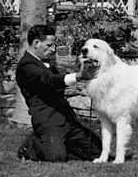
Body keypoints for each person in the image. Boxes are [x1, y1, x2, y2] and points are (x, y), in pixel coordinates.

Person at [15, 24, 100, 162]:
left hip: (68, 120)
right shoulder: (26, 66)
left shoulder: (47, 64)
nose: (53, 49)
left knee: (98, 152)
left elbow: (57, 83)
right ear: (36, 43)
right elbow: (49, 80)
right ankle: (30, 147)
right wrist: (78, 76)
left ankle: (61, 144)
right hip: (48, 122)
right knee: (57, 157)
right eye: (49, 45)